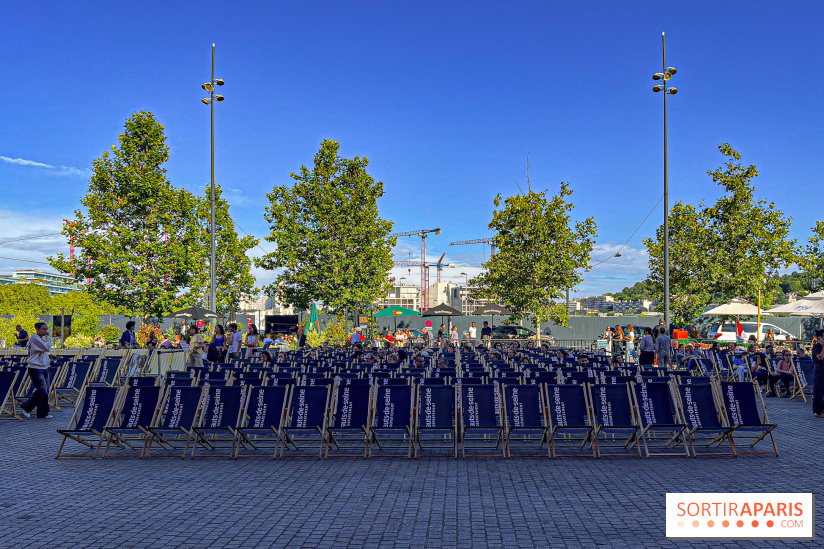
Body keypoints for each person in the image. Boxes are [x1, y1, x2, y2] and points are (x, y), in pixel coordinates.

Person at [20, 322, 53, 419]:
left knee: (44, 391)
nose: (46, 331)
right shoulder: (34, 338)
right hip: (35, 367)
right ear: (37, 329)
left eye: (46, 329)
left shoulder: (39, 339)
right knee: (42, 390)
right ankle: (27, 406)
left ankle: (42, 412)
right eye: (43, 329)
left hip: (43, 367)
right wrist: (48, 338)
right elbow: (47, 348)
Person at [812, 329, 824, 418]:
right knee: (819, 390)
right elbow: (820, 357)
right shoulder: (817, 347)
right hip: (819, 369)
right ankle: (818, 411)